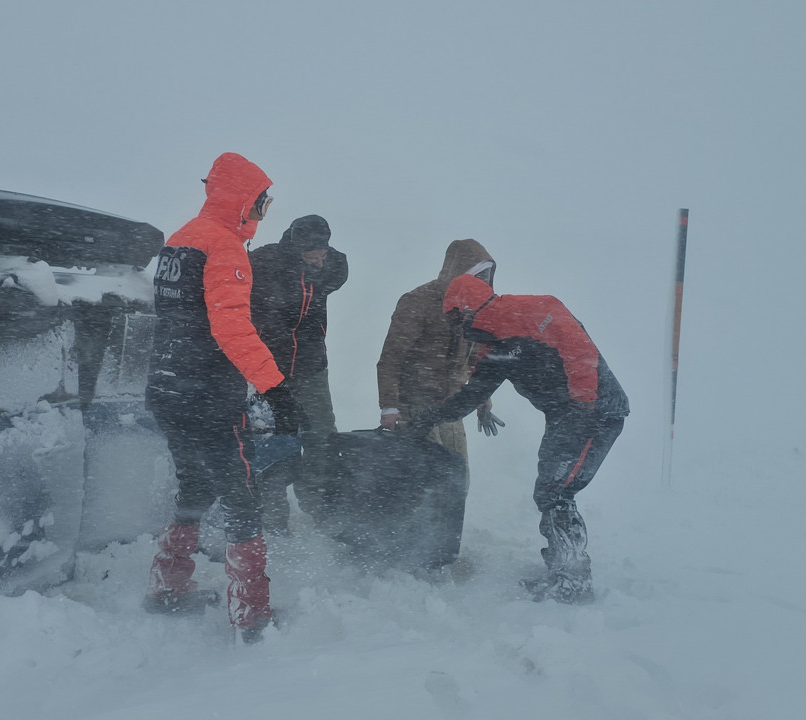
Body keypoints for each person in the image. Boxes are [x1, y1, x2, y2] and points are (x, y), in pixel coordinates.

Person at [142, 152, 299, 643]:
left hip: (166, 388)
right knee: (241, 496)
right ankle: (252, 615)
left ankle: (168, 586)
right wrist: (275, 387)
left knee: (192, 485)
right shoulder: (225, 248)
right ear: (242, 200)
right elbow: (231, 326)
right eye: (261, 203)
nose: (261, 213)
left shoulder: (180, 238)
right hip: (206, 394)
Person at [405, 272, 629, 604]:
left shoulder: (536, 311)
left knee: (556, 491)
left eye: (456, 316)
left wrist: (583, 406)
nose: (455, 325)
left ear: (466, 309)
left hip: (594, 410)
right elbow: (472, 394)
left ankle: (573, 581)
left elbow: (579, 351)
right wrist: (427, 420)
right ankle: (563, 571)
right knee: (550, 491)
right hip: (565, 416)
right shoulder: (494, 347)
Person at [247, 214, 348, 532]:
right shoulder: (265, 263)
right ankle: (273, 517)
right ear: (294, 246)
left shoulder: (331, 264)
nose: (319, 259)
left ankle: (315, 503)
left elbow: (339, 272)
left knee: (322, 436)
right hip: (268, 370)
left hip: (311, 367)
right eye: (312, 254)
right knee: (273, 442)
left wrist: (312, 268)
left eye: (323, 252)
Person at [376, 239, 502, 478]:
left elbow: (475, 354)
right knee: (425, 480)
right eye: (477, 277)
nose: (482, 284)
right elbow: (392, 357)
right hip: (413, 403)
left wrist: (481, 395)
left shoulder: (473, 306)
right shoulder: (417, 302)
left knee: (456, 476)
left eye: (486, 278)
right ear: (458, 274)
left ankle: (449, 517)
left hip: (449, 405)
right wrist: (390, 406)